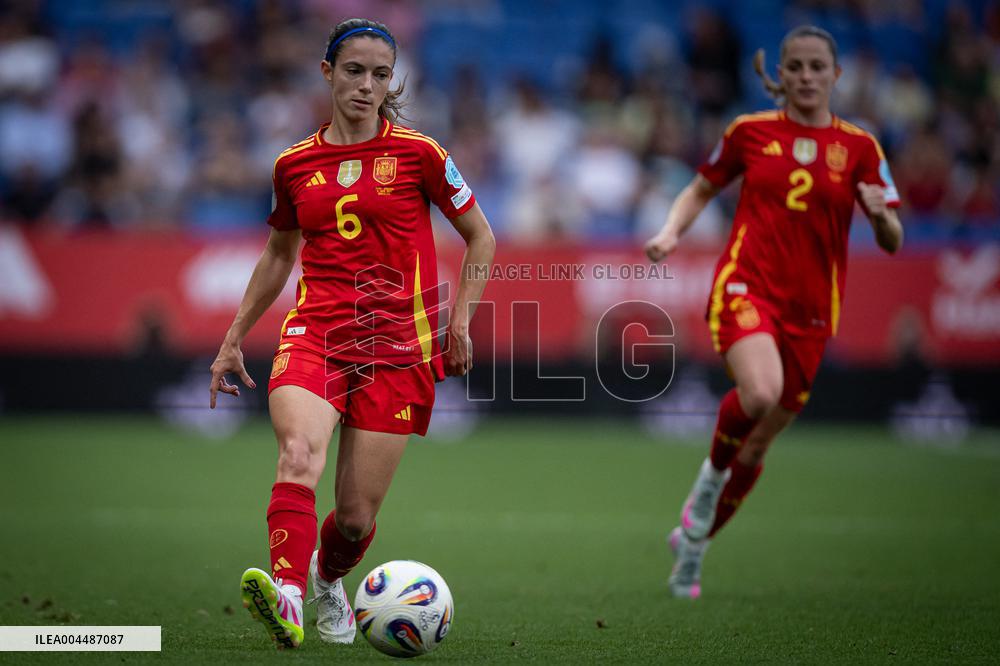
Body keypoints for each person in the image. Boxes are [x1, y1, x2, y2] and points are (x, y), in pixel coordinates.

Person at [208, 18, 495, 647]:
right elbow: (279, 254)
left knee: (358, 520)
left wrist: (461, 318)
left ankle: (324, 577)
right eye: (355, 70)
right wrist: (233, 337)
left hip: (400, 349)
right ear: (328, 73)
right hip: (317, 333)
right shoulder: (293, 164)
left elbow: (481, 235)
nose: (367, 85)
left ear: (392, 81)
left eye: (381, 74)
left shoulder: (420, 154)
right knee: (297, 455)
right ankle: (285, 596)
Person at [644, 26, 902, 599]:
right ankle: (707, 485)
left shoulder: (861, 146)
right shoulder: (749, 132)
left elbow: (893, 240)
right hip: (746, 285)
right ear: (779, 75)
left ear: (837, 75)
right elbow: (701, 188)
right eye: (795, 67)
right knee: (760, 393)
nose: (806, 77)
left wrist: (881, 216)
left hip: (812, 312)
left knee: (758, 445)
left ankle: (692, 547)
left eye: (817, 67)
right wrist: (669, 231)